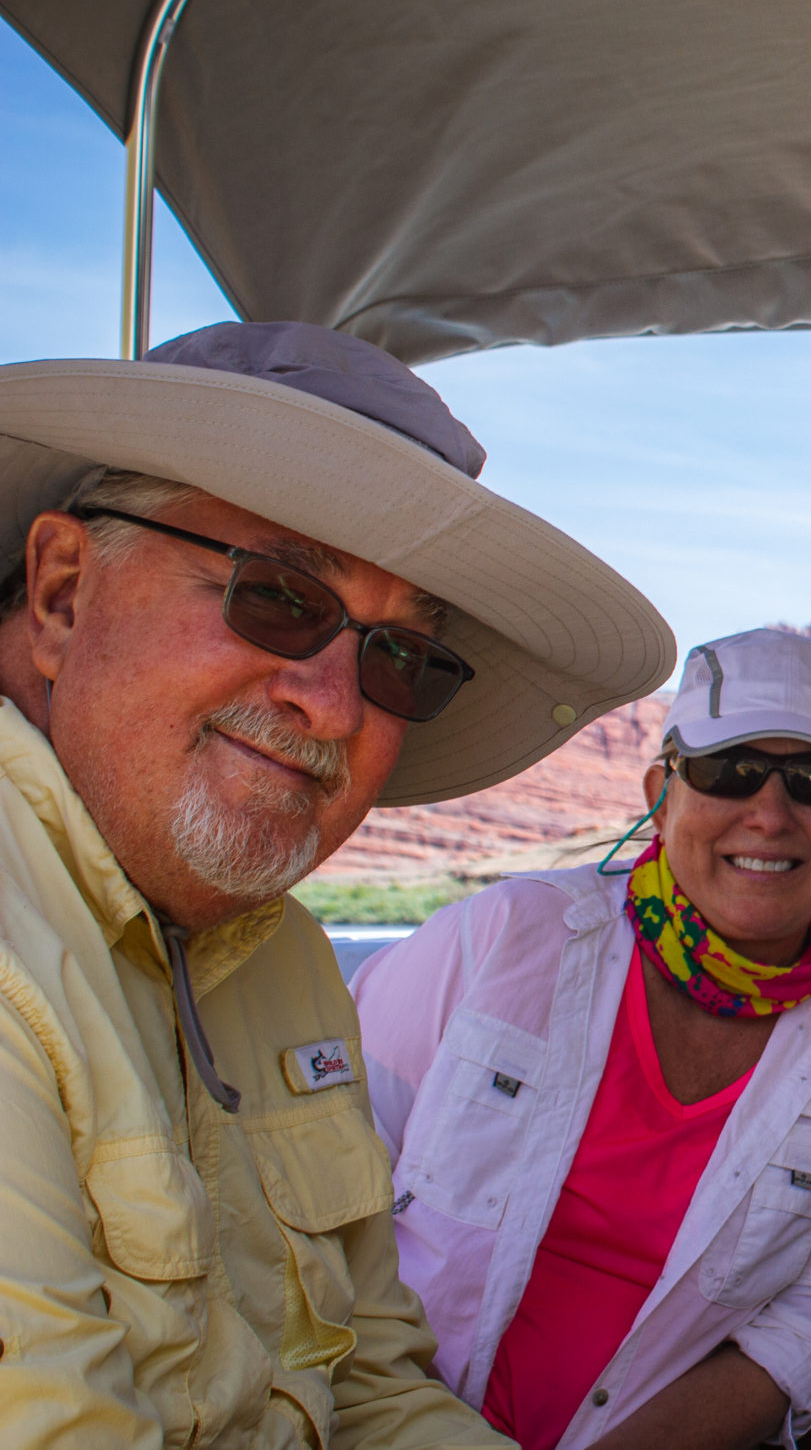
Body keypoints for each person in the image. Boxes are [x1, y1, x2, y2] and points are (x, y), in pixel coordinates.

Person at [0, 321, 672, 1445]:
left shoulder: (286, 958)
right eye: (277, 596)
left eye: (399, 657)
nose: (339, 705)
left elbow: (366, 1386)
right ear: (65, 592)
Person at [354, 627, 811, 1450]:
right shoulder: (505, 935)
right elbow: (317, 1173)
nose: (770, 814)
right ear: (659, 795)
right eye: (729, 770)